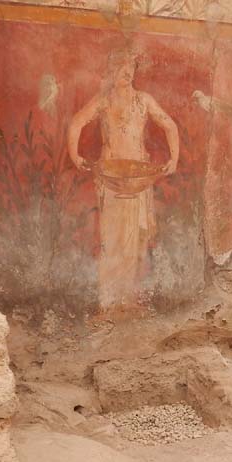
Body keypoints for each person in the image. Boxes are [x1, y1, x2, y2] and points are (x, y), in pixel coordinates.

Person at [68, 49, 180, 309]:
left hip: (138, 178)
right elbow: (76, 122)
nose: (126, 72)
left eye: (130, 67)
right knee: (113, 238)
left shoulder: (144, 100)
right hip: (110, 178)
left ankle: (129, 300)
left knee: (135, 242)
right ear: (110, 71)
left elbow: (170, 125)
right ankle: (109, 302)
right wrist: (75, 156)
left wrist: (173, 160)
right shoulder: (104, 101)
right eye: (120, 67)